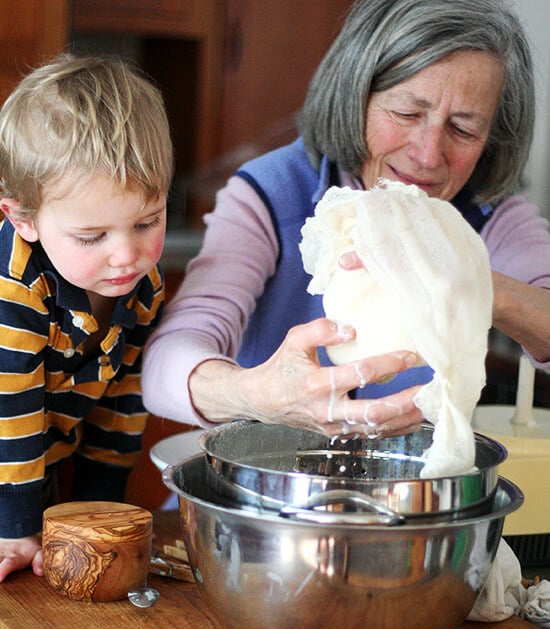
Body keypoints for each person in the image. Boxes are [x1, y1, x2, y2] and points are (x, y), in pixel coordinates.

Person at [142, 0, 550, 439]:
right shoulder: (272, 194)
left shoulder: (491, 218)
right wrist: (257, 394)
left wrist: (476, 282)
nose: (428, 155)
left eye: (463, 130)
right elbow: (166, 365)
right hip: (257, 491)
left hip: (410, 498)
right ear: (355, 96)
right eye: (407, 114)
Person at [0, 53, 173, 582]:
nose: (127, 255)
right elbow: (11, 415)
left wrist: (101, 516)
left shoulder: (142, 290)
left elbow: (121, 407)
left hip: (35, 470)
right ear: (23, 218)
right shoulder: (14, 287)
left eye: (148, 221)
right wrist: (15, 526)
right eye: (92, 237)